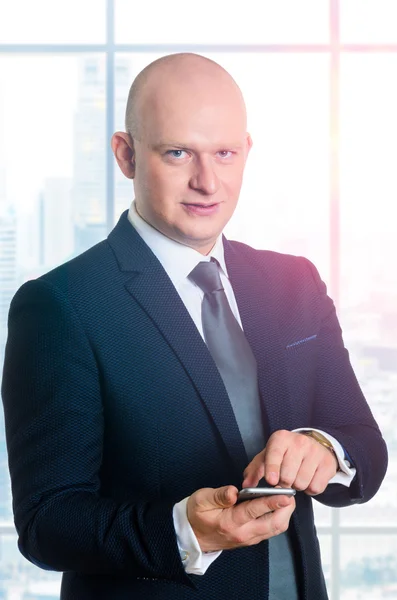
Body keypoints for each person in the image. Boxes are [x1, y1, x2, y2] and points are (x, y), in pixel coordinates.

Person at [1, 53, 388, 600]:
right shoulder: (62, 306)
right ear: (126, 155)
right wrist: (183, 531)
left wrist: (324, 449)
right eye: (178, 153)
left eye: (225, 154)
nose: (207, 182)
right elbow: (47, 521)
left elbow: (365, 449)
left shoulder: (294, 283)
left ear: (246, 152)